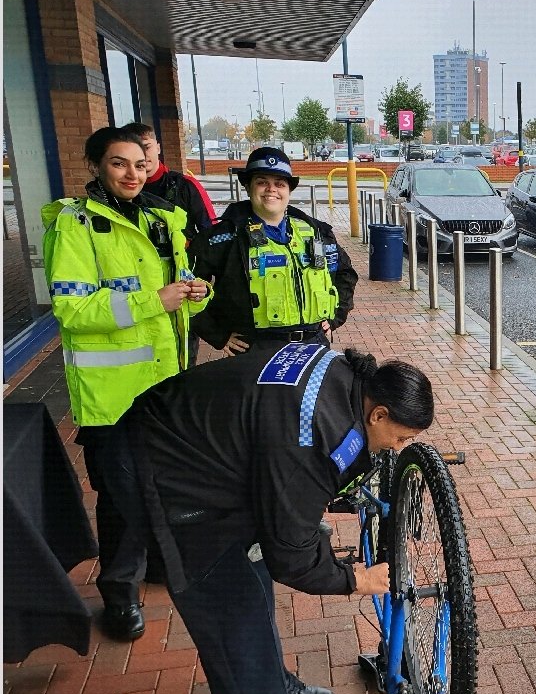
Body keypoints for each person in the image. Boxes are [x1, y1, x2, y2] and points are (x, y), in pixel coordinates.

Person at [101, 345, 430, 694]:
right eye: (399, 438)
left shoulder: (348, 377)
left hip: (207, 448)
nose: (397, 449)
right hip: (162, 468)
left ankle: (269, 683)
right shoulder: (312, 437)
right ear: (377, 413)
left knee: (253, 586)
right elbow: (291, 556)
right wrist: (355, 578)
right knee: (226, 606)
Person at [41, 126, 211, 641]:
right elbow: (72, 309)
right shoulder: (76, 227)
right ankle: (119, 593)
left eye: (139, 164)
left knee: (157, 482)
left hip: (164, 386)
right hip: (111, 393)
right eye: (119, 164)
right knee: (122, 495)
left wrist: (195, 293)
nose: (132, 174)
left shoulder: (163, 217)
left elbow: (176, 296)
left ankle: (154, 565)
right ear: (96, 165)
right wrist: (153, 301)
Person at [191, 146, 358, 355]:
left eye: (279, 184)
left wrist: (335, 316)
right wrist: (217, 336)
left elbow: (346, 273)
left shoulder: (315, 232)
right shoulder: (222, 238)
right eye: (262, 182)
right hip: (254, 349)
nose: (271, 189)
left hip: (312, 344)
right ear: (248, 187)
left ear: (288, 191)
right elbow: (185, 288)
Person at [123, 122, 218, 367]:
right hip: (138, 296)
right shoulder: (119, 195)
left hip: (181, 289)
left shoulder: (184, 186)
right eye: (133, 151)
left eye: (146, 147)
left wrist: (197, 272)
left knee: (182, 360)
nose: (142, 157)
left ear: (158, 147)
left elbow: (212, 233)